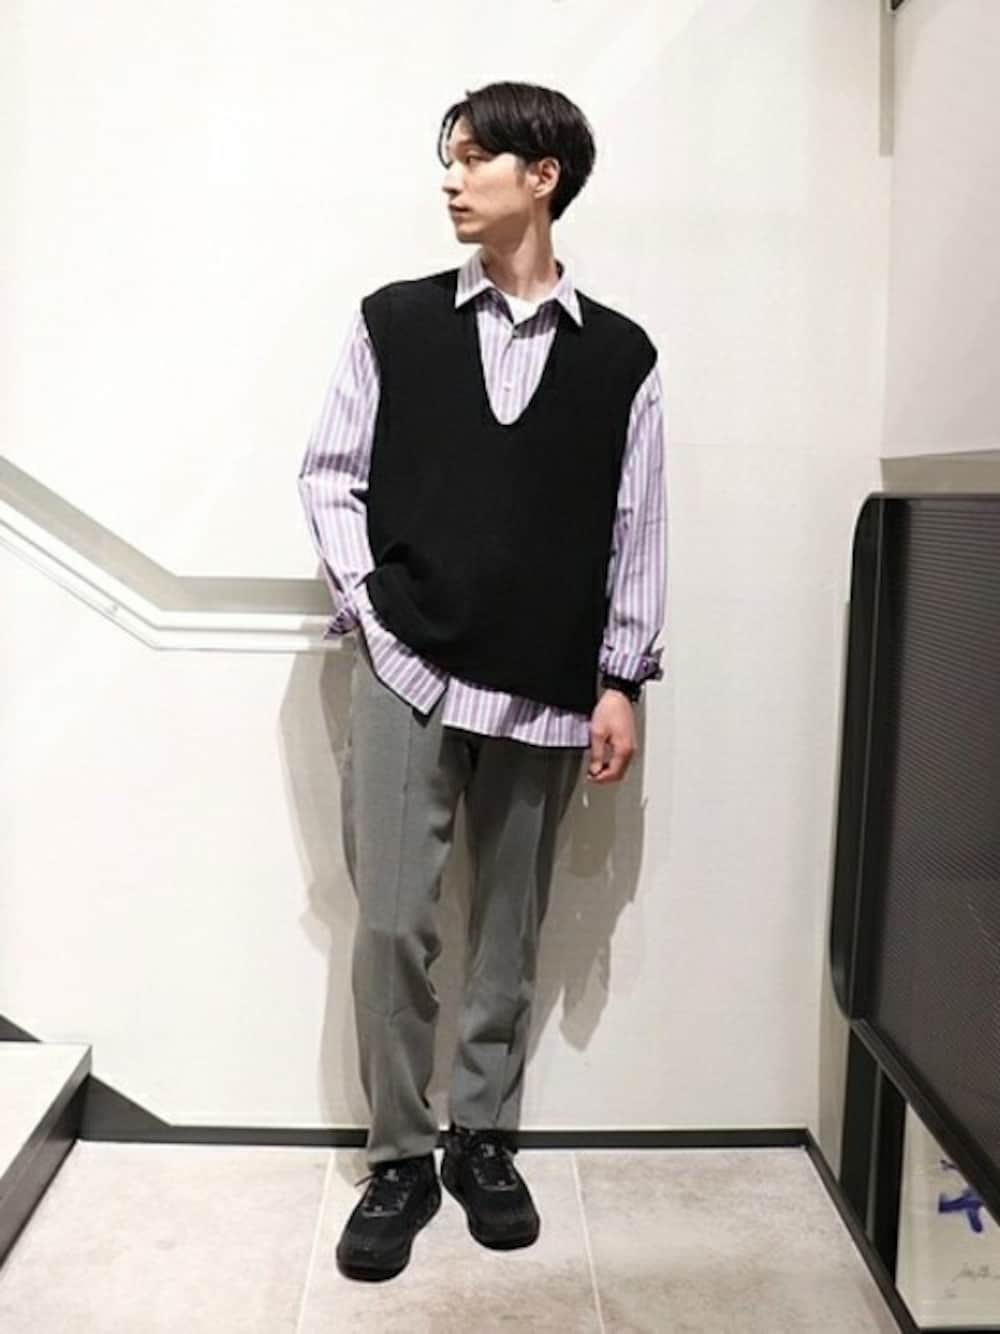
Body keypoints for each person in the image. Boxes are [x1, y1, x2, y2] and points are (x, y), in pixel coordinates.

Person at [297, 79, 667, 1283]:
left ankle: (483, 1139)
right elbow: (329, 473)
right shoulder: (393, 321)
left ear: (540, 176)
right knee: (392, 920)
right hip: (408, 662)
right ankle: (400, 1154)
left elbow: (637, 523)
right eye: (448, 159)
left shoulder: (621, 356)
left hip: (549, 677)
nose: (451, 180)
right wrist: (375, 615)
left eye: (472, 158)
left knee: (509, 923)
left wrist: (621, 677)